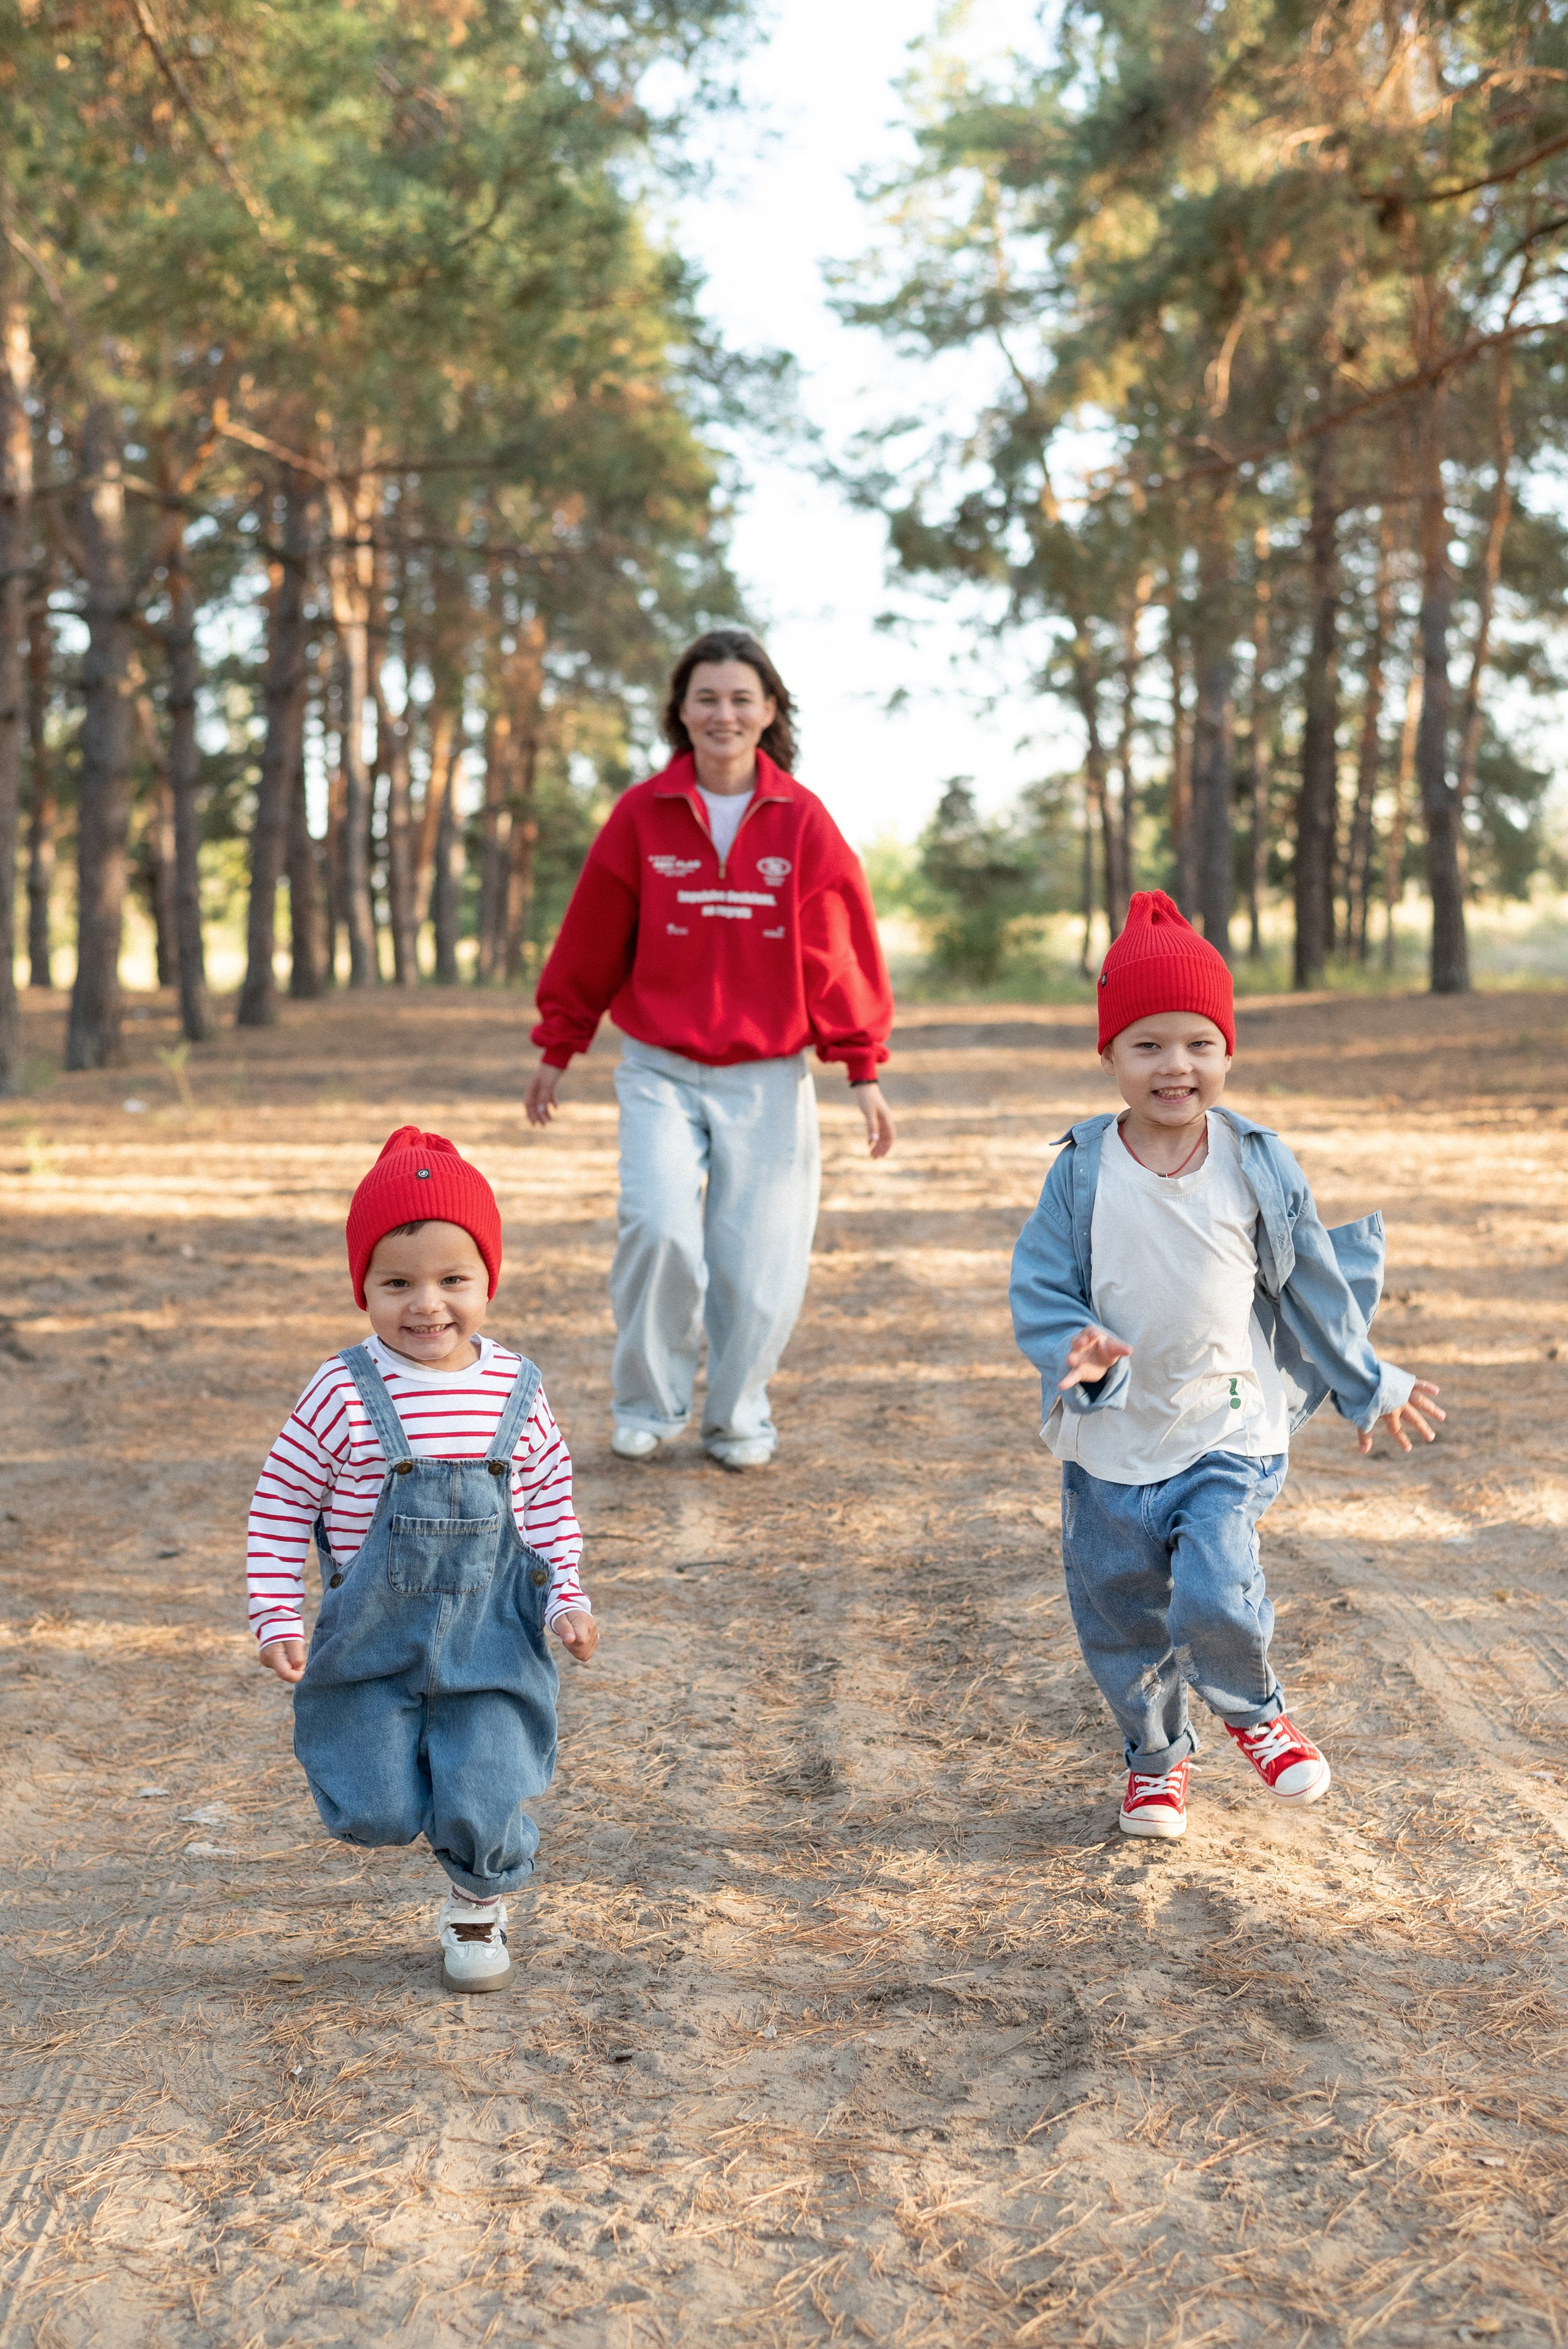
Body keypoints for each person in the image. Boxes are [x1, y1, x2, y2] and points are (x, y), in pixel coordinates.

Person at [1009, 892, 1444, 1839]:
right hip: (1112, 1441)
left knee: (1217, 1584)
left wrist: (1370, 1382)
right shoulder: (1083, 1169)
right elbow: (1041, 1286)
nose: (1177, 1066)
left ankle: (1255, 1710)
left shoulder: (1254, 1161)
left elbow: (1312, 1287)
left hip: (1225, 1427)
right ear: (1110, 1057)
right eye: (1149, 1045)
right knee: (1121, 1622)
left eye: (1199, 1043)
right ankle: (1157, 1763)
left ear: (1228, 1052)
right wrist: (1074, 1350)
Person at [525, 627, 895, 1470]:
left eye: (740, 698)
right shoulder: (640, 815)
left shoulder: (802, 821)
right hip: (659, 1065)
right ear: (681, 713)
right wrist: (559, 1048)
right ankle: (646, 1404)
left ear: (769, 712)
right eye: (706, 698)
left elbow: (836, 952)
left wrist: (861, 1070)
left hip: (768, 1075)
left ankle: (736, 1416)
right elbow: (592, 942)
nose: (723, 713)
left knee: (756, 1264)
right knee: (659, 1230)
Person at [245, 1126, 597, 1993]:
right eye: (396, 1282)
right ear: (362, 1284)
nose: (426, 1305)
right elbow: (283, 1498)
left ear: (488, 1282)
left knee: (485, 1783)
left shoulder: (516, 1386)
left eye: (454, 1280)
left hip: (493, 1640)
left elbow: (546, 1500)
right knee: (374, 1807)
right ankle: (410, 1802)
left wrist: (566, 1598)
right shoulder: (342, 1390)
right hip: (372, 1640)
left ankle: (477, 1904)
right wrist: (275, 1610)